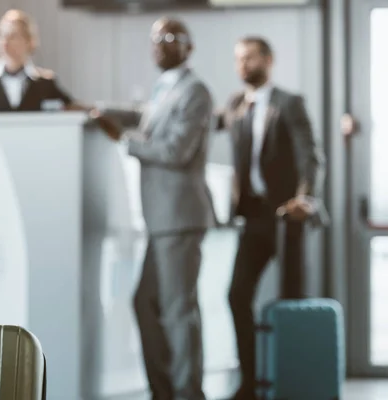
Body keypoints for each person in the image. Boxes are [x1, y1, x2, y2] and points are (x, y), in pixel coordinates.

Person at [92, 17, 214, 400]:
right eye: (156, 38)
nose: (161, 43)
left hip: (180, 218)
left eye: (172, 37)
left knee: (178, 312)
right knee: (146, 304)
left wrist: (124, 139)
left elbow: (176, 150)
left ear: (189, 48)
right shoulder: (164, 89)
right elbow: (141, 114)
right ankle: (164, 392)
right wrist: (93, 109)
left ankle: (189, 393)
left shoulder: (196, 91)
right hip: (162, 219)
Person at [215, 36, 325, 400]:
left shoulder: (289, 103)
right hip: (253, 217)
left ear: (268, 60)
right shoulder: (235, 105)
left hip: (286, 216)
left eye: (249, 58)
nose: (243, 65)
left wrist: (304, 198)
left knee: (293, 300)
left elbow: (309, 154)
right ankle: (251, 383)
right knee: (237, 295)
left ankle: (296, 385)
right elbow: (199, 121)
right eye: (238, 59)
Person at [0, 9, 79, 112]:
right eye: (2, 35)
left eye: (13, 36)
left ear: (29, 41)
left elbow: (70, 109)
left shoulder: (45, 83)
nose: (5, 42)